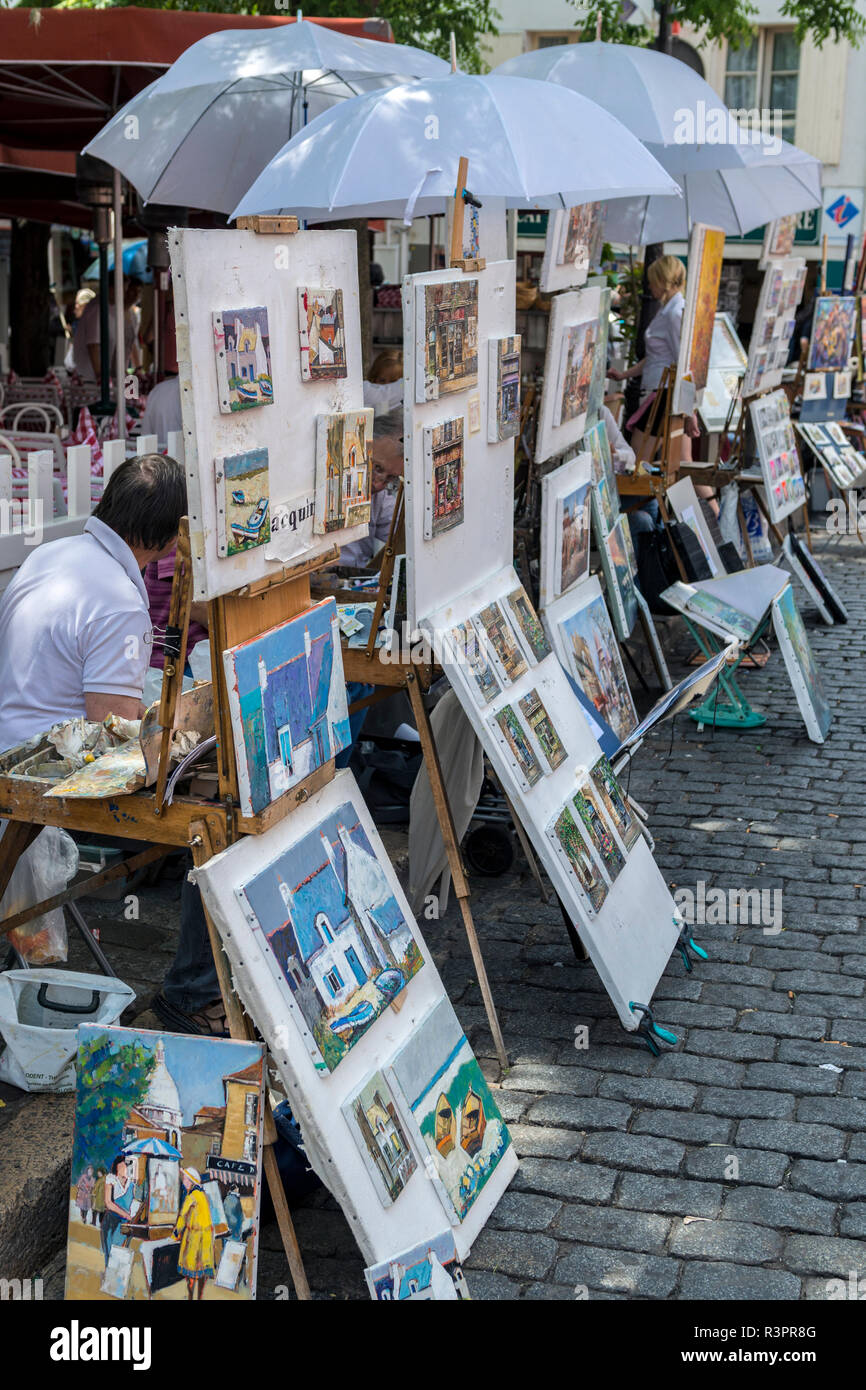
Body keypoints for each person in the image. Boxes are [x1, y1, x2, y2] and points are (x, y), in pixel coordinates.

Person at [0, 454, 185, 750]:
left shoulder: (46, 554)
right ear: (170, 537)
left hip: (13, 744)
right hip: (45, 765)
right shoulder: (121, 604)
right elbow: (113, 731)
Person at [608, 254, 699, 464]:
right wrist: (624, 375)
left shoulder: (673, 313)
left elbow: (683, 363)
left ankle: (708, 499)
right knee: (682, 462)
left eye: (651, 281)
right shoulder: (670, 310)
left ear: (662, 281)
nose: (649, 287)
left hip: (662, 395)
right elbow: (656, 358)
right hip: (665, 393)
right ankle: (713, 499)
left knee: (640, 462)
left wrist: (689, 411)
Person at [339, 408, 404, 569]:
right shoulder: (331, 482)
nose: (378, 484)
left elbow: (403, 536)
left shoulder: (380, 497)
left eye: (390, 478)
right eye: (377, 468)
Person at [71, 274, 143, 385]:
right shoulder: (98, 308)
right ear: (111, 288)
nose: (125, 293)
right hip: (89, 379)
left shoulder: (114, 308)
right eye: (123, 289)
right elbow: (93, 345)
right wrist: (101, 377)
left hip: (103, 376)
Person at [173, 1167, 216, 1300]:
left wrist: (175, 1233)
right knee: (202, 1270)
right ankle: (200, 1297)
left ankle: (191, 1297)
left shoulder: (191, 1196)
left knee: (191, 1270)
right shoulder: (202, 1195)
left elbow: (182, 1216)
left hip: (195, 1237)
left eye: (185, 1179)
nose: (183, 1181)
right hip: (206, 1236)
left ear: (191, 1181)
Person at [102, 1154, 137, 1266]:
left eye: (126, 1166)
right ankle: (109, 1279)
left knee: (121, 1254)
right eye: (122, 1166)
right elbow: (108, 1203)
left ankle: (117, 1280)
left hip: (125, 1224)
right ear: (116, 1167)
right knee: (110, 1253)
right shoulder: (111, 1179)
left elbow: (136, 1201)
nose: (124, 1169)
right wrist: (126, 1215)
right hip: (112, 1222)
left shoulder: (132, 1183)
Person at [92, 1166, 107, 1230]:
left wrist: (93, 1193)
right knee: (102, 1212)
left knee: (94, 1210)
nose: (98, 1174)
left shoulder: (100, 1180)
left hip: (99, 1198)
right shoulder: (106, 1179)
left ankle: (94, 1222)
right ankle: (101, 1224)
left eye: (99, 1173)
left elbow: (95, 1189)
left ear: (101, 1173)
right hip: (104, 1199)